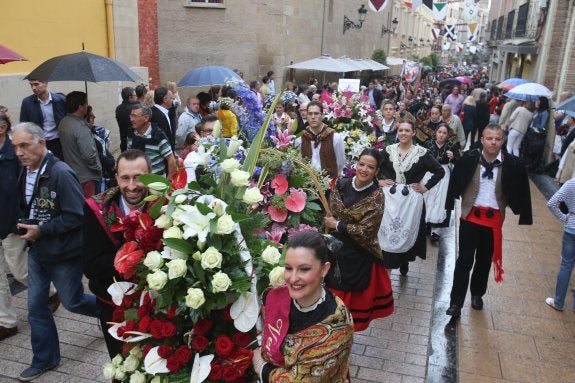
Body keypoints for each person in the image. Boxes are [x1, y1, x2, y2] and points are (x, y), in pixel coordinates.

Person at [12, 122, 98, 381]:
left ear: (41, 143)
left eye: (24, 145)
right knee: (36, 307)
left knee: (73, 302)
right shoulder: (25, 171)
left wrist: (42, 229)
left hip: (62, 253)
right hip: (37, 251)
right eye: (15, 146)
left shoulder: (61, 172)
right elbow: (30, 206)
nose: (19, 152)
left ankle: (112, 311)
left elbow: (76, 216)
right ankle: (45, 359)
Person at [445, 124, 532, 317]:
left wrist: (522, 212)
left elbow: (522, 190)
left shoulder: (513, 164)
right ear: (482, 140)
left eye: (498, 139)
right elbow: (455, 180)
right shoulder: (470, 159)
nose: (493, 142)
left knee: (484, 260)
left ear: (503, 141)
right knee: (464, 261)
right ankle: (455, 303)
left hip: (493, 221)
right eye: (490, 138)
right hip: (470, 217)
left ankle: (477, 294)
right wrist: (449, 205)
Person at [251, 230, 353, 382]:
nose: (292, 278)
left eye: (304, 269)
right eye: (288, 268)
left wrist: (261, 367)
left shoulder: (337, 328)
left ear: (324, 269)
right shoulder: (276, 296)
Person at [83, 149, 151, 359]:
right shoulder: (97, 210)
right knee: (123, 365)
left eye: (138, 178)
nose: (131, 186)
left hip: (157, 306)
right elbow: (91, 266)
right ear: (116, 178)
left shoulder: (165, 206)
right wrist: (132, 258)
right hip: (113, 305)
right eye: (125, 178)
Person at [324, 149, 395, 331]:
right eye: (361, 164)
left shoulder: (377, 196)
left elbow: (365, 231)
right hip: (334, 252)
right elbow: (330, 212)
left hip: (359, 255)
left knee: (348, 312)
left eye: (370, 167)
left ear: (377, 171)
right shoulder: (341, 184)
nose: (364, 169)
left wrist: (338, 224)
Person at [378, 121, 445, 276]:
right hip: (390, 199)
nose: (403, 133)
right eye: (400, 130)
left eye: (407, 130)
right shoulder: (388, 150)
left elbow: (439, 171)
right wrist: (379, 181)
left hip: (411, 200)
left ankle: (404, 261)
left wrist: (425, 187)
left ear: (413, 133)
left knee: (407, 231)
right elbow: (373, 165)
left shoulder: (422, 153)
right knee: (388, 231)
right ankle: (387, 264)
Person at [58, 91, 102, 198]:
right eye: (86, 104)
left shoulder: (63, 123)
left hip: (72, 174)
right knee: (90, 209)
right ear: (80, 106)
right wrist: (98, 168)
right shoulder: (80, 127)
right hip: (86, 177)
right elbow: (89, 155)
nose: (87, 106)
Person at [423, 123, 461, 242]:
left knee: (440, 201)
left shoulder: (451, 146)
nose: (441, 135)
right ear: (436, 133)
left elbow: (459, 162)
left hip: (444, 175)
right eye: (440, 132)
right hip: (429, 173)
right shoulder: (427, 143)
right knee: (427, 198)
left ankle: (436, 230)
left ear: (447, 135)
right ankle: (424, 225)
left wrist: (453, 157)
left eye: (444, 133)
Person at [545, 178, 575, 311]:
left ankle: (558, 302)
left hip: (571, 229)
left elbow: (551, 203)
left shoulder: (571, 183)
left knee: (566, 265)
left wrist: (565, 218)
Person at [297, 101, 345, 179]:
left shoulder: (335, 138)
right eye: (310, 114)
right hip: (307, 184)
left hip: (329, 182)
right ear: (307, 116)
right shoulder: (300, 140)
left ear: (322, 115)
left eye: (316, 113)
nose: (313, 117)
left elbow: (340, 163)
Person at [19, 79, 66, 160]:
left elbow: (67, 119)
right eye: (31, 85)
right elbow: (23, 125)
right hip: (39, 143)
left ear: (45, 83)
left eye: (36, 84)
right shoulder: (27, 102)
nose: (33, 88)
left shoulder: (60, 100)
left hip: (58, 142)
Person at [127, 104, 176, 177]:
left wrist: (170, 181)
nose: (131, 119)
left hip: (156, 181)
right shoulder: (131, 134)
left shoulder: (158, 135)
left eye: (135, 116)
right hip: (137, 180)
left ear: (146, 118)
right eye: (131, 116)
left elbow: (171, 159)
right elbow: (129, 156)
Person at [86, 106, 115, 192]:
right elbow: (96, 154)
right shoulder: (86, 135)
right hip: (98, 175)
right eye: (91, 116)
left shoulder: (94, 132)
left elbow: (104, 150)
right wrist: (110, 161)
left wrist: (111, 159)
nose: (94, 117)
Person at [115, 86, 137, 152]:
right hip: (134, 142)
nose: (136, 97)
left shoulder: (118, 108)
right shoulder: (134, 109)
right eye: (135, 95)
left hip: (123, 141)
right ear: (130, 97)